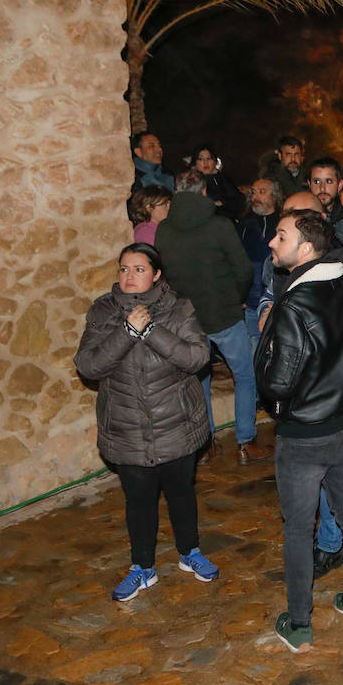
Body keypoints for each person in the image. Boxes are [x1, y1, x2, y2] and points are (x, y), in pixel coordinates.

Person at [258, 209, 343, 653]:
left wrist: (264, 339)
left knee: (297, 528)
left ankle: (299, 624)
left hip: (304, 434)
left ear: (305, 248)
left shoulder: (293, 304)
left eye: (281, 236)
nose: (272, 242)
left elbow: (277, 382)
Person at [73, 243, 219, 601]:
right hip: (127, 427)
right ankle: (143, 568)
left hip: (176, 424)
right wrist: (126, 331)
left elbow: (198, 356)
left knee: (181, 493)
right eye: (124, 269)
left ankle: (190, 553)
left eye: (139, 269)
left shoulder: (178, 308)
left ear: (156, 275)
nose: (129, 276)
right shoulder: (103, 311)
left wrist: (151, 330)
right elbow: (88, 365)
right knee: (138, 501)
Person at [154, 170, 268, 464]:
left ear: (176, 193)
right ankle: (246, 438)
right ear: (204, 192)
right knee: (243, 375)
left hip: (187, 318)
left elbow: (164, 273)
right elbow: (242, 269)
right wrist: (236, 297)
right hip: (224, 314)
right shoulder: (219, 225)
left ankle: (206, 441)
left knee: (199, 378)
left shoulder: (164, 230)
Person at [236, 178, 281, 343]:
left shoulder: (284, 224)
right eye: (253, 192)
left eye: (262, 192)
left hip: (277, 303)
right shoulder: (243, 225)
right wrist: (241, 296)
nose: (256, 197)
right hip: (252, 304)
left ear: (275, 196)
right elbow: (237, 263)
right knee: (255, 349)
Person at [187, 144, 247, 219]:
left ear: (215, 161)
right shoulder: (189, 181)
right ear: (195, 162)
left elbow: (239, 201)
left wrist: (222, 202)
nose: (205, 163)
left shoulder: (222, 178)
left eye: (209, 158)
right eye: (200, 159)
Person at [308, 156, 343, 247]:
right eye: (316, 181)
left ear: (339, 185)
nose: (322, 188)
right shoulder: (302, 220)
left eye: (328, 181)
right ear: (309, 184)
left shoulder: (339, 219)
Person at [266, 135, 308, 199]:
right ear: (280, 156)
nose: (293, 159)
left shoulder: (309, 176)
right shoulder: (270, 178)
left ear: (302, 157)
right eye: (288, 154)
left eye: (296, 154)